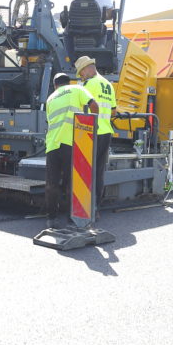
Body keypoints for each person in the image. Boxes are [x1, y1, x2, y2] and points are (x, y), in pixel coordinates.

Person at [44, 72, 98, 229]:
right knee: (72, 183)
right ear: (69, 82)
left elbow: (50, 121)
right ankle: (71, 220)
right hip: (71, 142)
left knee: (52, 183)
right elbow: (94, 105)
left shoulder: (50, 98)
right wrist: (93, 128)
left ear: (55, 85)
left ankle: (51, 219)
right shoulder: (77, 89)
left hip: (53, 144)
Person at [75, 55, 116, 203]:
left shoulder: (88, 85)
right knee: (99, 172)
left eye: (81, 72)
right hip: (106, 132)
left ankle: (85, 206)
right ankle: (96, 206)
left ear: (86, 69)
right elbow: (114, 111)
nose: (81, 76)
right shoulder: (108, 85)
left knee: (85, 171)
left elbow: (79, 108)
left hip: (91, 133)